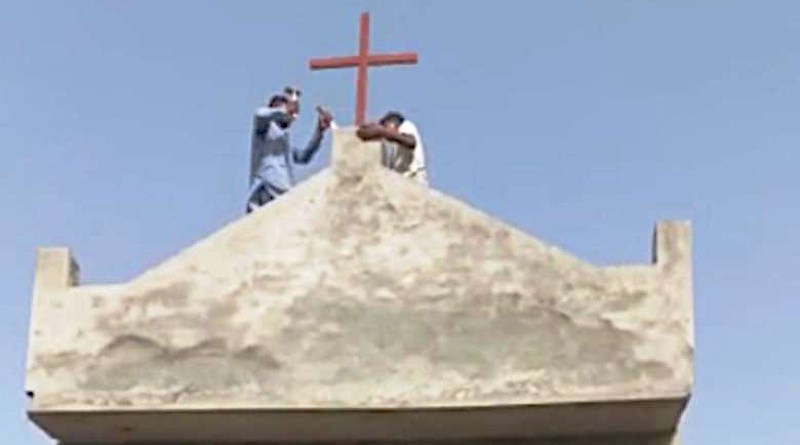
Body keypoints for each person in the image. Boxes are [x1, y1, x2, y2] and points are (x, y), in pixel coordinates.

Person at [247, 88, 332, 213]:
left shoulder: (284, 140)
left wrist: (319, 132)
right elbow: (259, 114)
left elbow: (303, 157)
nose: (291, 117)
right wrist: (283, 110)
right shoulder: (264, 129)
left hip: (282, 193)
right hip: (265, 191)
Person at [356, 111, 428, 185]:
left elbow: (411, 142)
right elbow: (362, 134)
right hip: (402, 178)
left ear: (392, 123)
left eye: (386, 126)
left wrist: (383, 132)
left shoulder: (406, 126)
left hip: (415, 176)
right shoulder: (392, 142)